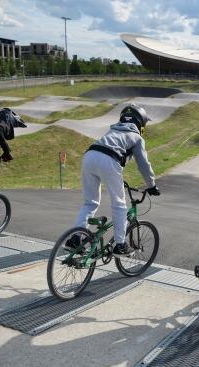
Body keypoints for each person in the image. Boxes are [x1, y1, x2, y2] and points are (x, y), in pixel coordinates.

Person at [69, 103, 160, 257]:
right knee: (119, 204)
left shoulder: (113, 130)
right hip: (108, 160)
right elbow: (143, 164)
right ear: (141, 123)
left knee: (90, 203)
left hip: (89, 156)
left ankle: (75, 238)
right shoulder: (137, 137)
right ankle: (120, 245)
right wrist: (152, 185)